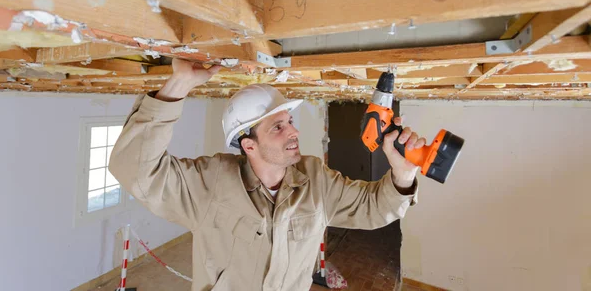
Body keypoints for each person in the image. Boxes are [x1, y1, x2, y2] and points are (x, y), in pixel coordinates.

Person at [109, 58, 425, 291]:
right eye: (278, 127)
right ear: (249, 145)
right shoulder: (212, 184)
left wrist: (402, 173)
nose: (294, 132)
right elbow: (135, 170)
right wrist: (178, 85)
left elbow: (373, 209)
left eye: (290, 121)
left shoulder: (315, 179)